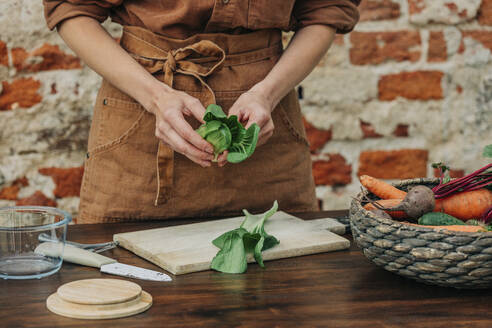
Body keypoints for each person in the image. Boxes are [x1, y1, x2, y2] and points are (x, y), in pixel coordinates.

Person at [43, 0, 360, 223]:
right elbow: (73, 10)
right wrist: (155, 97)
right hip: (139, 137)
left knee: (282, 293)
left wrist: (267, 93)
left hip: (267, 137)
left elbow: (325, 11)